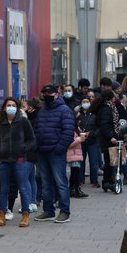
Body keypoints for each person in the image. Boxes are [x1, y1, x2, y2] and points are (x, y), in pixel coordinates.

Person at [33, 84, 75, 223]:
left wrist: (59, 149)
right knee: (46, 183)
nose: (47, 95)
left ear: (57, 94)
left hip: (55, 152)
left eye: (49, 93)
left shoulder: (64, 110)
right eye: (44, 93)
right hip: (42, 151)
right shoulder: (43, 110)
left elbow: (68, 132)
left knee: (60, 182)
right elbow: (37, 129)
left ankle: (65, 212)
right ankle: (48, 210)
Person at [0, 97, 36, 227]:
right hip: (3, 160)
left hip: (20, 159)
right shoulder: (0, 123)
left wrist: (23, 148)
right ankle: (2, 214)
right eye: (8, 105)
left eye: (13, 105)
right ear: (4, 107)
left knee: (23, 187)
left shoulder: (23, 122)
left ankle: (25, 214)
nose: (11, 107)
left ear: (17, 108)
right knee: (4, 188)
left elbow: (31, 140)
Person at [92, 90, 120, 191]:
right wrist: (111, 136)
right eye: (113, 96)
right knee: (109, 162)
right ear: (109, 98)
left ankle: (107, 181)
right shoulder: (106, 109)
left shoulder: (108, 107)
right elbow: (105, 125)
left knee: (109, 161)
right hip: (107, 139)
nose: (115, 98)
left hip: (108, 138)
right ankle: (108, 182)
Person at [78, 95, 100, 188]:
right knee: (81, 162)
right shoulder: (78, 114)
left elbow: (98, 128)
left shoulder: (95, 114)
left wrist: (91, 134)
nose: (85, 104)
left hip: (93, 141)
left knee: (94, 162)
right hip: (81, 141)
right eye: (84, 102)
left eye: (87, 102)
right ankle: (80, 180)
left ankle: (94, 180)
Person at [67, 128, 88, 198]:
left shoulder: (77, 129)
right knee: (74, 173)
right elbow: (69, 143)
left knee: (75, 173)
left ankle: (73, 189)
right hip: (71, 154)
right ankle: (75, 190)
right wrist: (80, 139)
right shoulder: (69, 128)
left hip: (76, 154)